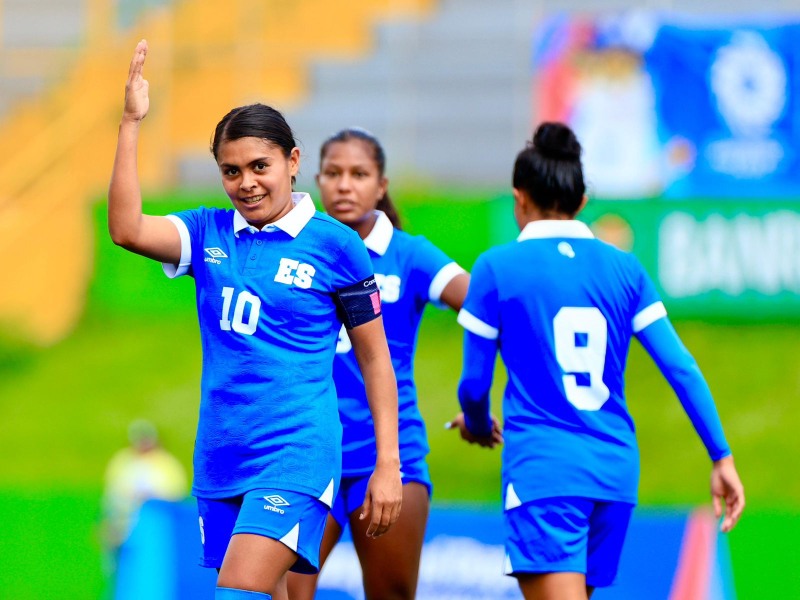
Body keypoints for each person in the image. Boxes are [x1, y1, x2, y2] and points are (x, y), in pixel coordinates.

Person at [108, 41, 403, 600]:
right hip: (221, 456)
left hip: (295, 454)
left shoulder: (336, 246)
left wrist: (388, 464)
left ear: (293, 162)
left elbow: (374, 359)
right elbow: (125, 228)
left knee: (238, 590)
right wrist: (130, 122)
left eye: (260, 166)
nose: (247, 182)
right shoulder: (206, 231)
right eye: (231, 170)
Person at [449, 122, 745, 600]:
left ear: (518, 197)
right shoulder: (625, 268)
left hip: (544, 472)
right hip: (615, 473)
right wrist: (721, 455)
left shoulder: (496, 268)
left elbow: (473, 385)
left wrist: (478, 423)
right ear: (582, 201)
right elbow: (681, 368)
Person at [287, 128, 470, 600]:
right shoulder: (294, 250)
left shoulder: (409, 255)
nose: (344, 185)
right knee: (279, 592)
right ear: (317, 180)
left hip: (389, 457)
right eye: (333, 173)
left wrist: (481, 395)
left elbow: (485, 310)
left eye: (359, 174)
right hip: (306, 454)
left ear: (381, 185)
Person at [101, 419, 188, 576]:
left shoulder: (166, 464)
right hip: (124, 524)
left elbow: (176, 495)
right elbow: (112, 495)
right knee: (121, 570)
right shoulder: (123, 461)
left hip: (157, 527)